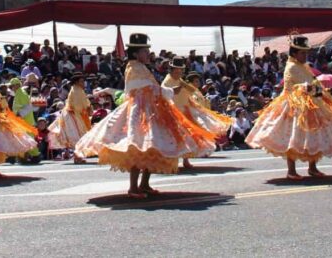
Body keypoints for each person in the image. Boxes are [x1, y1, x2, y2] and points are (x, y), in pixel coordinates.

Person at [76, 34, 217, 198]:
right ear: (136, 53)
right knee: (137, 145)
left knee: (153, 146)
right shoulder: (134, 67)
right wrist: (172, 91)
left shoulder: (140, 67)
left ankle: (144, 184)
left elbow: (152, 89)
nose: (148, 54)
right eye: (145, 51)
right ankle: (133, 188)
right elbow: (148, 89)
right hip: (140, 111)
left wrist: (169, 92)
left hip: (151, 110)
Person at [247, 36, 332, 179]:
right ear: (294, 53)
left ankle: (313, 168)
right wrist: (308, 88)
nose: (305, 56)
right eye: (302, 53)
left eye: (306, 53)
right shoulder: (291, 67)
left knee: (313, 136)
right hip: (293, 106)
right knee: (292, 137)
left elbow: (313, 82)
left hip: (311, 104)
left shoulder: (303, 66)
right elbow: (293, 87)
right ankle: (291, 171)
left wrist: (318, 90)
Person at [162, 59, 232, 169]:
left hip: (184, 110)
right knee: (173, 138)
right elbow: (165, 95)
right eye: (177, 71)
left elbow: (192, 90)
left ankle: (186, 160)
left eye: (181, 71)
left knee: (188, 136)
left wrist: (184, 85)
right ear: (171, 70)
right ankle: (172, 161)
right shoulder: (166, 82)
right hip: (173, 112)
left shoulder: (179, 80)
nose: (179, 73)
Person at [47, 73, 92, 163]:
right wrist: (88, 108)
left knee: (79, 136)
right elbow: (77, 106)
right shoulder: (76, 90)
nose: (83, 83)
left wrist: (88, 107)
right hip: (72, 116)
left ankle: (77, 156)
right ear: (76, 82)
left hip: (75, 115)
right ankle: (77, 156)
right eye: (82, 81)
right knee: (77, 136)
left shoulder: (78, 90)